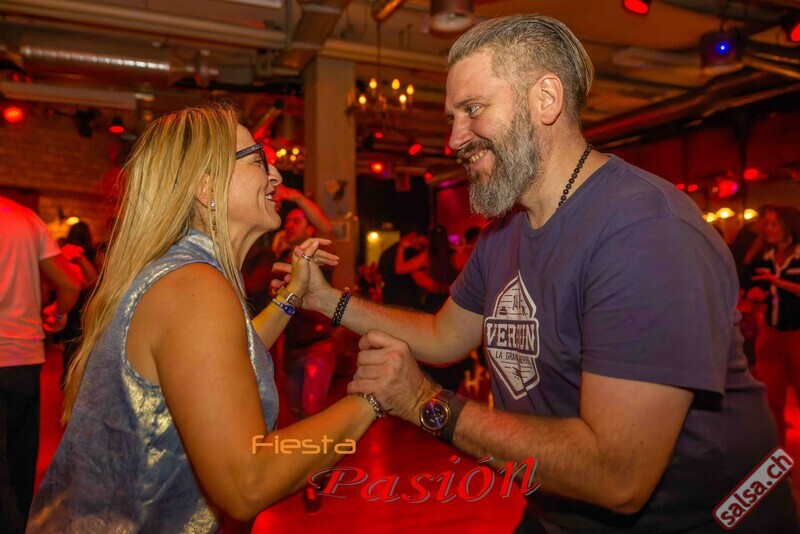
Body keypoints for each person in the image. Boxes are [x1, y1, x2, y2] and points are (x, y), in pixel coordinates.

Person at [294, 15, 798, 532]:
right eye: (452, 117)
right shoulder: (503, 233)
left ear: (546, 99)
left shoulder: (646, 232)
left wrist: (425, 402)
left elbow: (618, 475)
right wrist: (326, 299)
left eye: (472, 110)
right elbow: (444, 336)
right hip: (561, 509)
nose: (453, 139)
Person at [27, 105, 383, 532]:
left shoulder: (181, 272)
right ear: (206, 186)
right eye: (258, 161)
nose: (276, 176)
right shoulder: (194, 287)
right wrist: (373, 397)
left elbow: (222, 361)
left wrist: (292, 295)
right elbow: (247, 483)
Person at [0, 196, 80, 534]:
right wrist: (58, 315)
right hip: (24, 358)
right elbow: (70, 283)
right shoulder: (24, 218)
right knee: (20, 465)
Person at [742, 204, 800, 444]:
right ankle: (778, 456)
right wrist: (754, 295)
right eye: (766, 224)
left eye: (774, 224)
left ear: (789, 225)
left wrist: (777, 282)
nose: (768, 229)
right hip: (770, 333)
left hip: (797, 334)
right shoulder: (762, 258)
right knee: (771, 398)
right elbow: (751, 289)